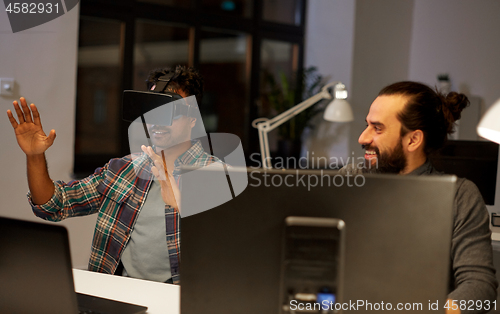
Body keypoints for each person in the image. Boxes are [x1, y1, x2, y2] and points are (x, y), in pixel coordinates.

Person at [6, 65, 219, 285]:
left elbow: (229, 252)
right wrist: (35, 156)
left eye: (170, 110)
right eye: (152, 109)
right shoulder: (123, 170)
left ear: (193, 119)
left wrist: (183, 206)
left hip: (179, 300)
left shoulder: (216, 175)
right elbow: (52, 205)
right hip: (118, 294)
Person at [339, 81, 497, 313]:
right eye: (367, 126)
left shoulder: (460, 197)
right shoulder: (349, 179)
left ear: (413, 140)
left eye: (377, 128)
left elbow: (479, 285)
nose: (363, 138)